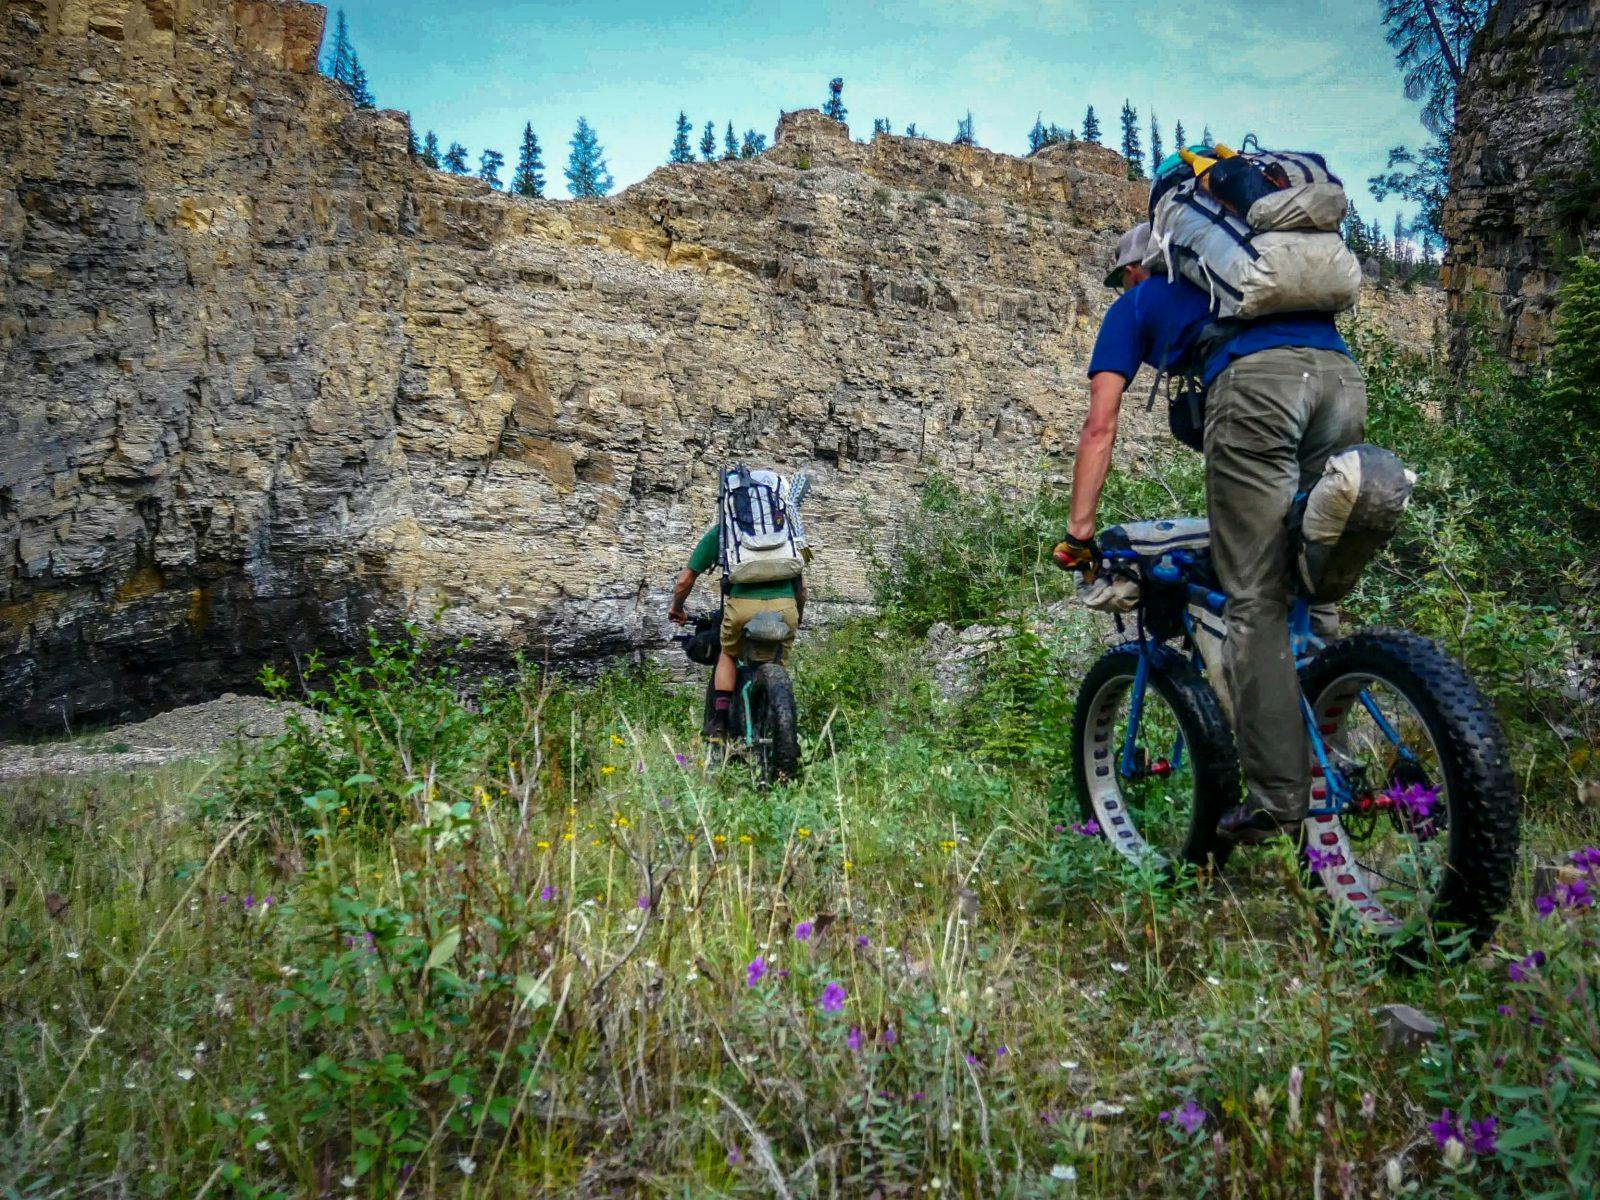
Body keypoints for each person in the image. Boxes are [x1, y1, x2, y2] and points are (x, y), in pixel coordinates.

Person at [1056, 221, 1367, 845]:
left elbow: (1100, 425)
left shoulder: (1137, 303)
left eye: (1126, 273)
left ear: (1141, 267)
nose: (1127, 284)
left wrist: (1079, 531)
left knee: (1254, 597)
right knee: (1312, 587)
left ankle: (1278, 799)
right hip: (1342, 379)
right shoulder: (1245, 284)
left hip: (1259, 388)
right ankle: (1333, 747)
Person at [667, 471, 808, 740]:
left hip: (741, 608)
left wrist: (677, 608)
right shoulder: (792, 533)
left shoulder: (724, 532)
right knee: (779, 659)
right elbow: (803, 587)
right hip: (785, 608)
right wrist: (798, 615)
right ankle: (780, 720)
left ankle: (719, 721)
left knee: (728, 655)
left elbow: (685, 580)